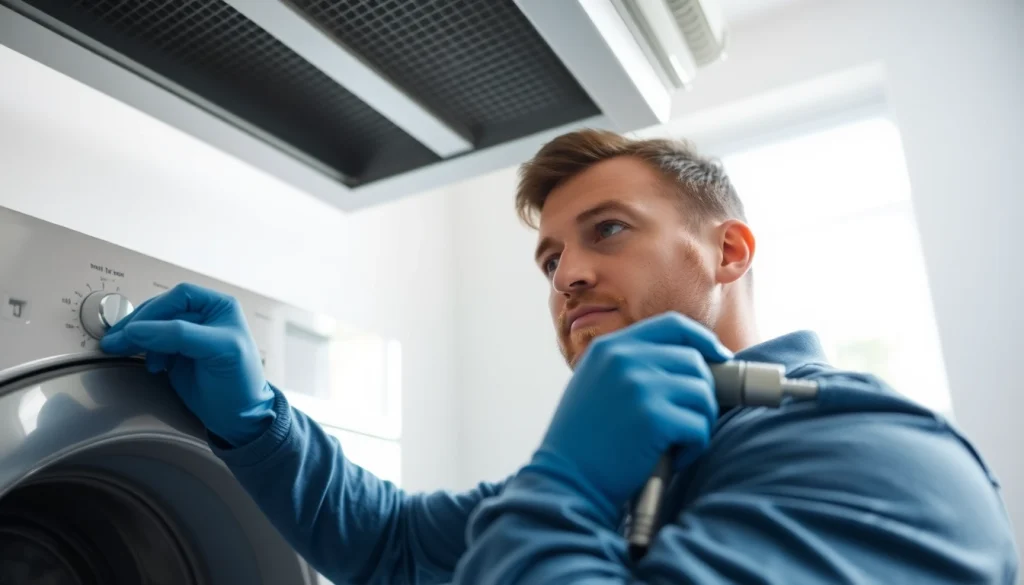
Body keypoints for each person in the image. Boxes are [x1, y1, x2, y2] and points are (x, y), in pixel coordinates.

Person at [100, 129, 1018, 584]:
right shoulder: (649, 461)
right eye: (550, 259)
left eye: (606, 231)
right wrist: (258, 420)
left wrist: (567, 484)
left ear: (729, 252)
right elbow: (391, 546)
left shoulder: (879, 457)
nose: (568, 275)